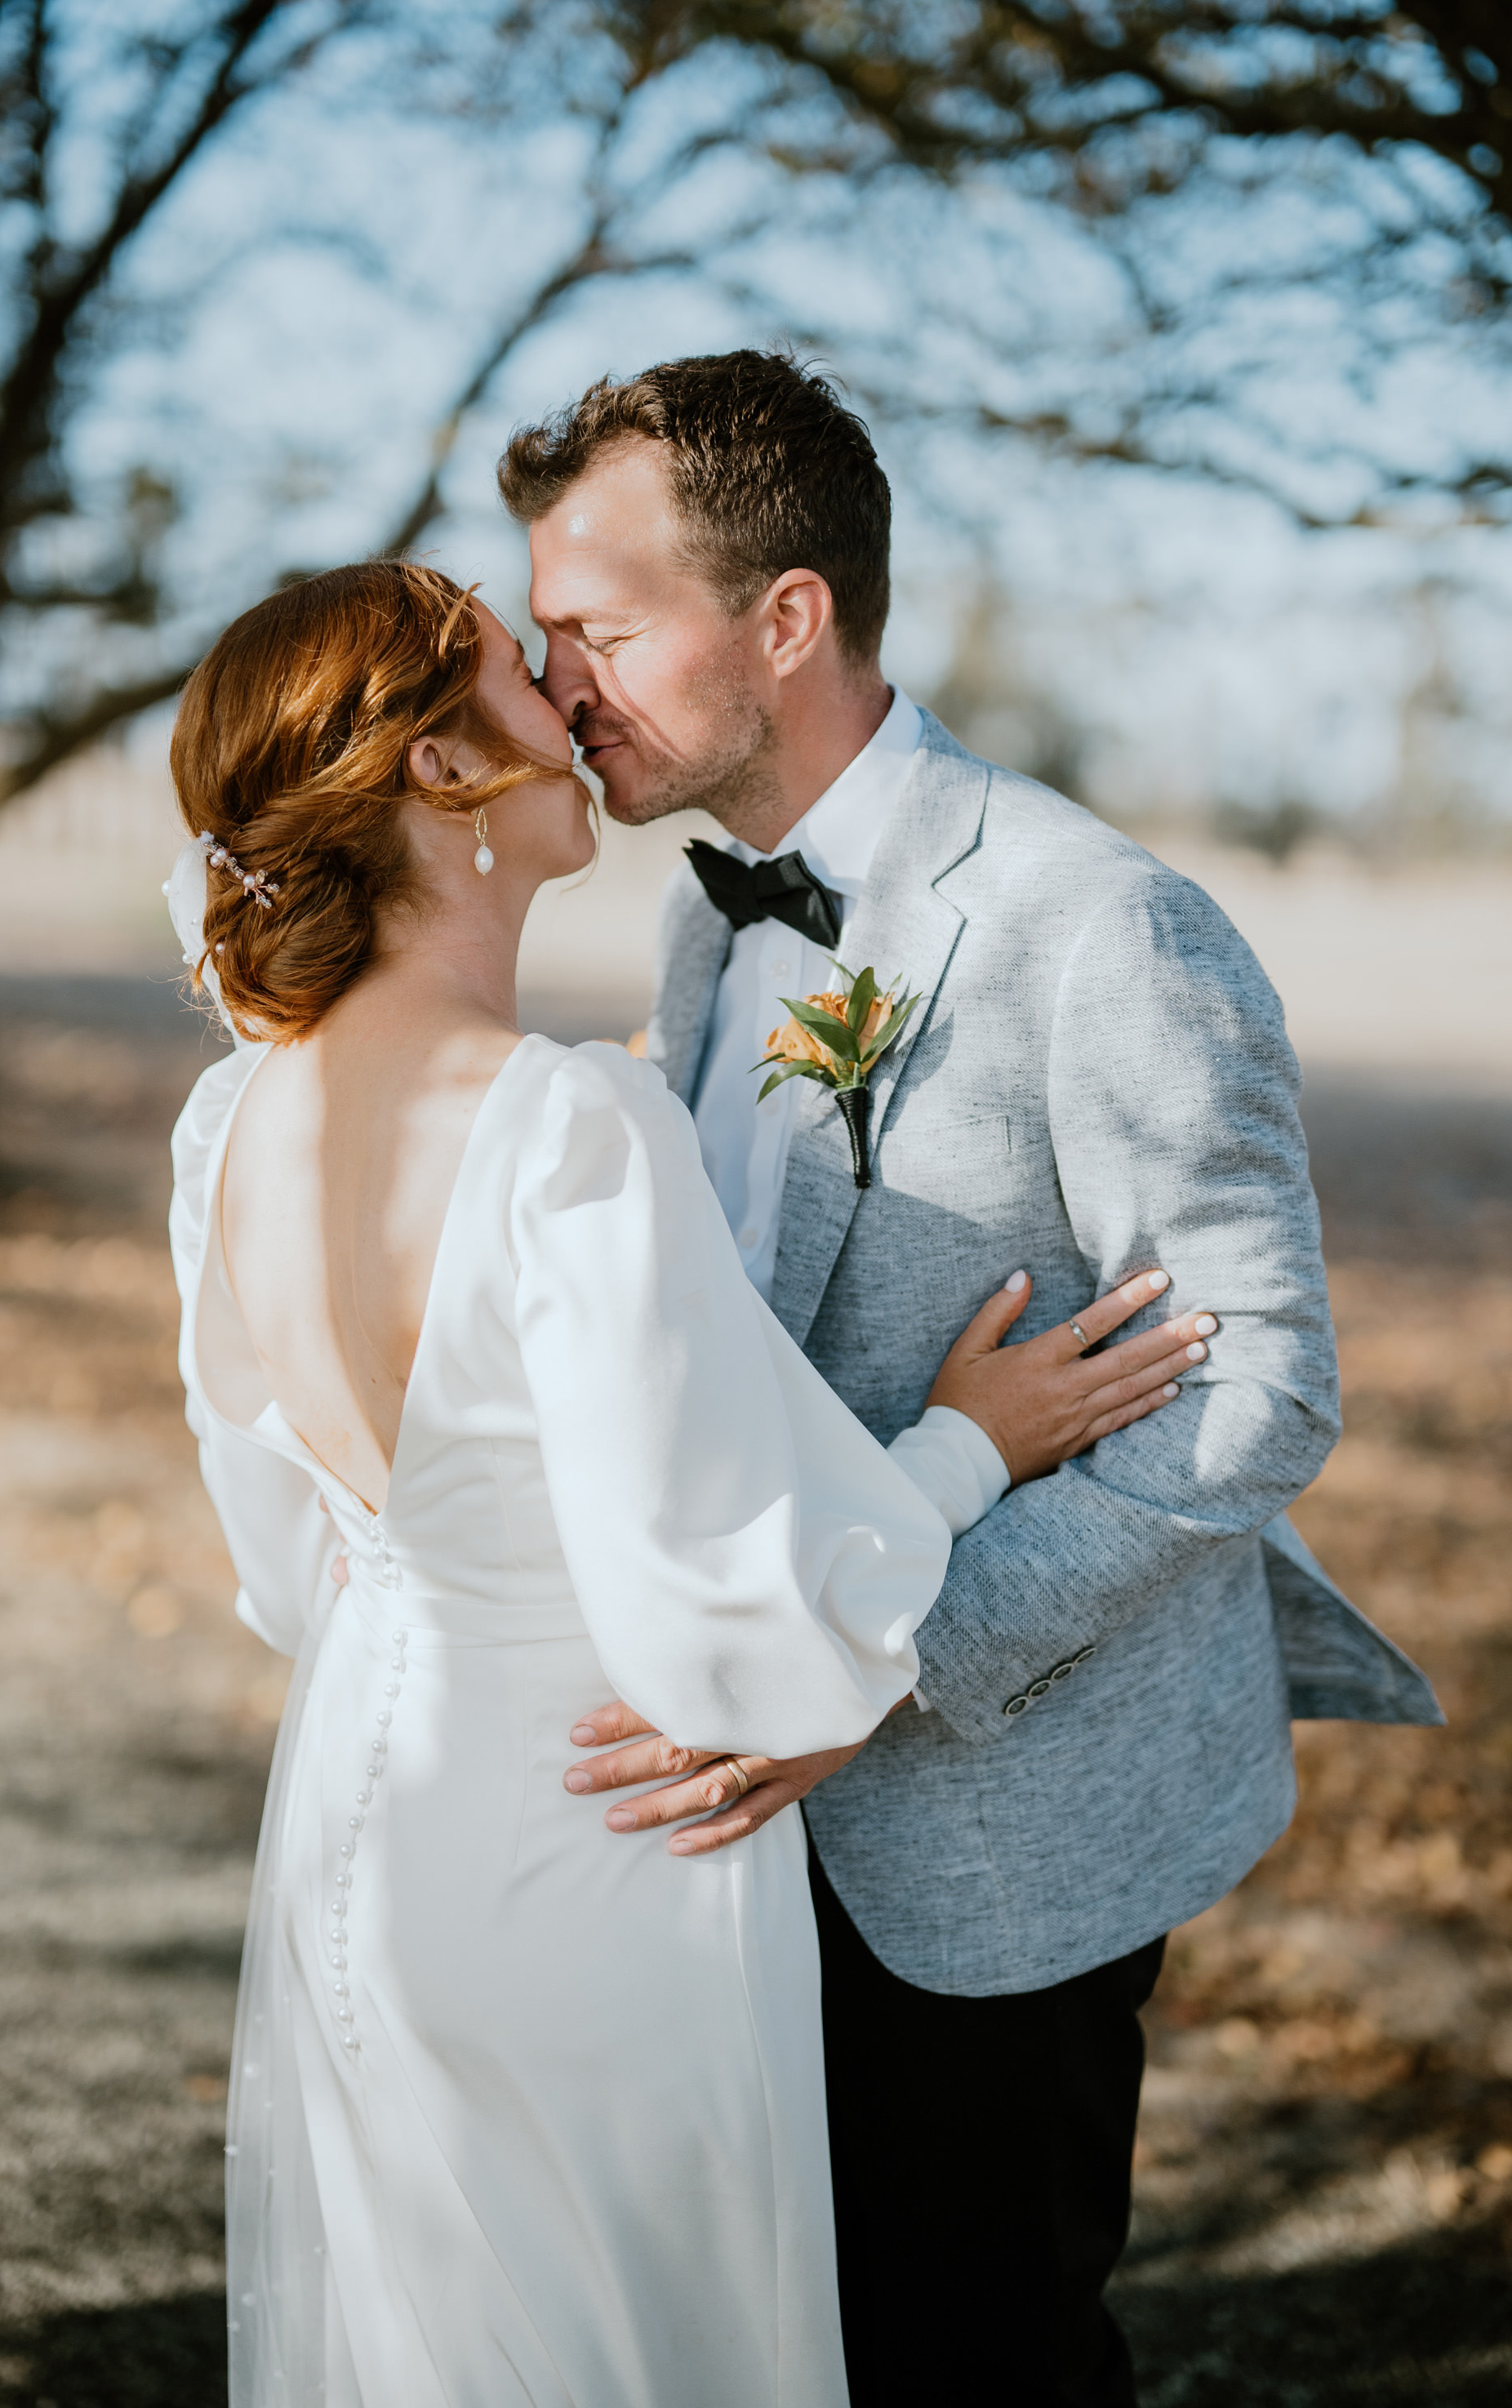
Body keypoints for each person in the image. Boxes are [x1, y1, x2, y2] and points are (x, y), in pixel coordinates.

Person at [504, 349, 1444, 2408]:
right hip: (740, 1820)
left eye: (597, 631)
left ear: (785, 617)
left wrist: (868, 1670)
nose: (553, 684)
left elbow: (1257, 1392)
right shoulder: (703, 932)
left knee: (980, 2355)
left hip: (999, 1825)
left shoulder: (1098, 927)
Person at [164, 560, 1208, 2407]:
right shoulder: (561, 1124)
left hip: (369, 1827)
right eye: (517, 669)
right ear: (440, 769)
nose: (568, 699)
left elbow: (282, 1559)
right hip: (602, 1846)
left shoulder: (234, 1121)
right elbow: (739, 1619)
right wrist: (970, 1441)